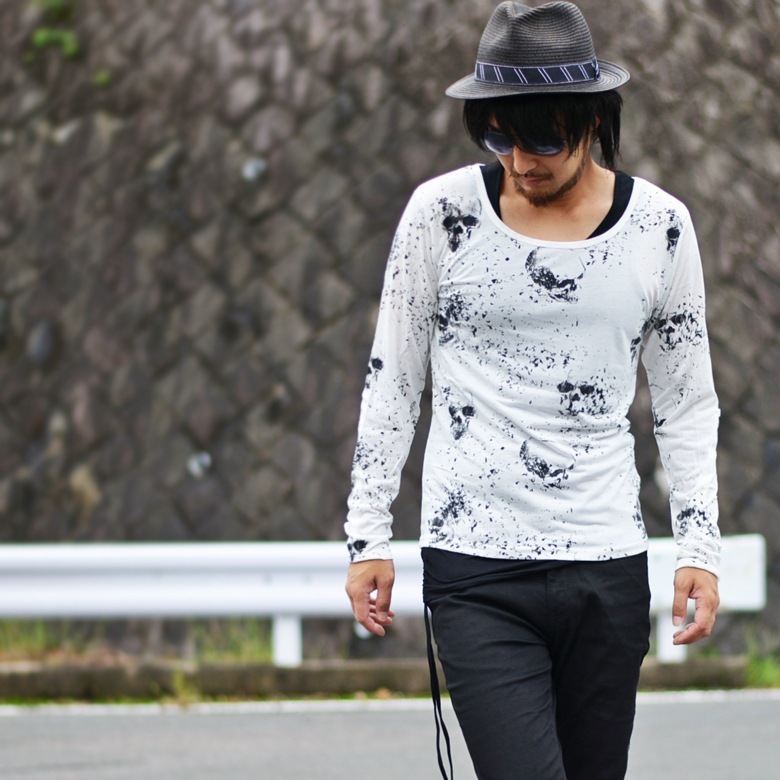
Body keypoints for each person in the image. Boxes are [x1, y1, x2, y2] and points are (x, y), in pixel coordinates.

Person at [344, 2, 721, 778]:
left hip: (606, 565)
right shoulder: (440, 216)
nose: (520, 160)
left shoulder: (660, 228)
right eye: (498, 136)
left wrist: (700, 547)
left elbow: (686, 403)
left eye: (543, 137)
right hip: (475, 566)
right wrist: (367, 534)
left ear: (593, 120)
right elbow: (394, 380)